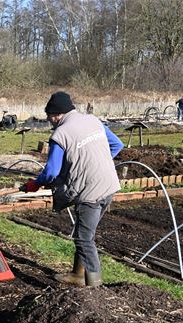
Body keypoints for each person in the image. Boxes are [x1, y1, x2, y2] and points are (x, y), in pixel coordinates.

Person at [22, 91, 124, 287]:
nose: (49, 121)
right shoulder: (93, 121)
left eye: (49, 117)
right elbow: (116, 144)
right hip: (110, 186)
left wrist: (35, 184)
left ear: (56, 115)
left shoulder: (60, 134)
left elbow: (51, 171)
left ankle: (95, 286)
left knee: (84, 239)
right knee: (84, 231)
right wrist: (97, 163)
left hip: (90, 193)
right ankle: (78, 275)